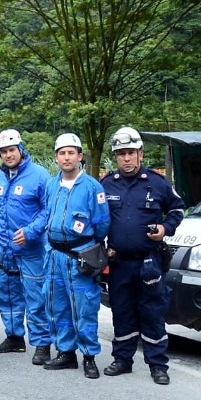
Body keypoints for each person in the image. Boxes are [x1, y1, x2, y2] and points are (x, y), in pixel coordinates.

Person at [101, 127, 185, 385]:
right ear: (116, 156)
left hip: (149, 261)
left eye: (130, 153)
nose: (126, 158)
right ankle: (123, 360)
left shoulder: (157, 182)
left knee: (152, 313)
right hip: (118, 262)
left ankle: (158, 365)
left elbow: (178, 209)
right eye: (121, 154)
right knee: (122, 312)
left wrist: (164, 229)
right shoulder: (107, 183)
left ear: (140, 153)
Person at [41, 133, 110, 379]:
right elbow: (48, 215)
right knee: (57, 307)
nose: (67, 157)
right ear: (56, 157)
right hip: (54, 257)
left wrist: (87, 247)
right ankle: (66, 353)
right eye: (62, 153)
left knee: (84, 308)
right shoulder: (51, 184)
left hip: (80, 256)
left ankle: (89, 357)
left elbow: (102, 225)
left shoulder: (93, 187)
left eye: (72, 152)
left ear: (80, 156)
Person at [0, 128, 52, 365]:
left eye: (11, 150)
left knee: (35, 298)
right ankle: (14, 338)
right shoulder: (0, 177)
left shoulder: (40, 175)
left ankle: (42, 343)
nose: (7, 155)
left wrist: (31, 232)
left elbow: (47, 211)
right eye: (3, 151)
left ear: (21, 149)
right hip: (6, 248)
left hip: (31, 249)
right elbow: (2, 207)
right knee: (8, 295)